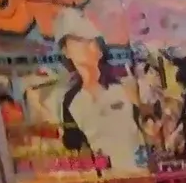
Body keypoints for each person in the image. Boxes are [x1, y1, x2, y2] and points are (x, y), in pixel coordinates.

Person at [55, 9, 147, 173]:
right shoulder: (70, 101)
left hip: (140, 175)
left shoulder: (124, 86)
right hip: (108, 181)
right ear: (65, 51)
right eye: (78, 40)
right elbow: (76, 148)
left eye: (91, 40)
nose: (86, 46)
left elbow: (149, 129)